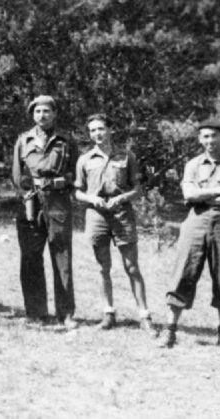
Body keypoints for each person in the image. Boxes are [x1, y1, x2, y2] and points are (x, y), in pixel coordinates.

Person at [158, 119, 220, 349]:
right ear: (199, 139)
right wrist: (217, 190)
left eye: (214, 136)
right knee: (184, 272)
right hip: (195, 221)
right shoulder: (193, 165)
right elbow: (189, 194)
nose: (210, 141)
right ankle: (170, 330)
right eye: (205, 136)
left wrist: (203, 194)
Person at [73, 113, 154, 335]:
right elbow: (78, 192)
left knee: (132, 267)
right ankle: (108, 314)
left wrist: (121, 198)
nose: (97, 134)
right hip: (97, 216)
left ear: (110, 130)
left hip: (121, 214)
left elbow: (138, 189)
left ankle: (144, 316)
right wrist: (92, 199)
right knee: (103, 267)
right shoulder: (85, 159)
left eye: (101, 129)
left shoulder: (127, 157)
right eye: (93, 131)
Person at [11, 95, 79, 328]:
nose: (42, 115)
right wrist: (26, 195)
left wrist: (63, 183)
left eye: (47, 111)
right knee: (30, 256)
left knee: (62, 256)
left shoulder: (66, 140)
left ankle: (66, 313)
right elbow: (17, 175)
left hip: (58, 202)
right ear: (32, 115)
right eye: (38, 111)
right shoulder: (23, 140)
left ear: (55, 114)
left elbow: (76, 173)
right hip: (31, 202)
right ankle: (35, 312)